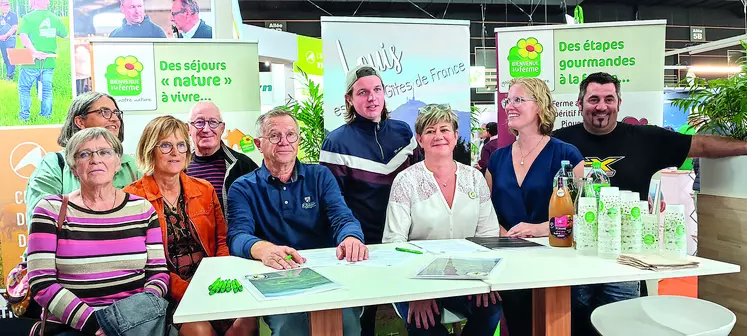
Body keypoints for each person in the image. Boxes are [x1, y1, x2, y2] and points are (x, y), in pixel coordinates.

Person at [552, 71, 747, 336]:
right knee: (571, 327)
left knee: (623, 327)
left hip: (626, 261)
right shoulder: (559, 142)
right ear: (579, 103)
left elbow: (700, 145)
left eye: (609, 99)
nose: (601, 106)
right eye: (593, 99)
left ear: (619, 103)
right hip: (574, 256)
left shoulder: (646, 138)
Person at [227, 107, 367, 336]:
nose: (284, 142)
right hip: (275, 277)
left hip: (326, 274)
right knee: (290, 327)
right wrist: (266, 250)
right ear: (258, 143)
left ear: (298, 140)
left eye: (291, 134)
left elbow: (343, 217)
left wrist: (350, 237)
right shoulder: (243, 187)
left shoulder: (320, 176)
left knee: (345, 323)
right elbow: (237, 236)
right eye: (274, 135)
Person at [27, 127, 169, 335]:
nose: (95, 160)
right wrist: (96, 323)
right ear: (74, 167)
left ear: (118, 162)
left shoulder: (143, 209)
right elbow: (41, 282)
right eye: (84, 154)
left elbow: (158, 276)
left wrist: (126, 319)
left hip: (136, 324)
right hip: (72, 327)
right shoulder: (50, 210)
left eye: (104, 152)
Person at [124, 116, 256, 336]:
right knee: (199, 329)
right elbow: (143, 264)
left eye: (181, 145)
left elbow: (222, 240)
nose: (175, 152)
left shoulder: (204, 189)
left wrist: (217, 278)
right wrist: (191, 291)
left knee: (248, 321)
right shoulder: (133, 197)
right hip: (168, 290)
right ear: (150, 150)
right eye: (166, 145)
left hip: (211, 282)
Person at [383, 104, 503, 335]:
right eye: (430, 131)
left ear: (456, 136)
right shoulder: (405, 181)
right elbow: (393, 243)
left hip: (468, 275)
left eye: (445, 129)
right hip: (416, 278)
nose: (438, 136)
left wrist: (482, 279)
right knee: (423, 324)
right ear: (419, 139)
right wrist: (417, 293)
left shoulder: (474, 178)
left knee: (492, 309)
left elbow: (488, 235)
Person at [319, 65, 418, 335]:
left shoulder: (403, 133)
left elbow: (420, 182)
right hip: (362, 243)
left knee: (419, 311)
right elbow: (332, 202)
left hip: (405, 238)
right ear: (349, 99)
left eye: (377, 90)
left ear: (385, 94)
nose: (371, 98)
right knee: (364, 317)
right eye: (362, 92)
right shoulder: (336, 142)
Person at [486, 77, 584, 336]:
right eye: (508, 100)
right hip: (509, 264)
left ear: (540, 106)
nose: (510, 106)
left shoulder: (567, 155)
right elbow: (485, 213)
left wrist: (540, 229)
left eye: (519, 99)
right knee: (518, 327)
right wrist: (503, 235)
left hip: (555, 261)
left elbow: (585, 212)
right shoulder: (497, 159)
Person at [25, 92, 140, 240]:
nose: (114, 118)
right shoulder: (55, 164)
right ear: (80, 121)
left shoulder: (131, 165)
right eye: (104, 112)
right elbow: (41, 223)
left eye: (116, 113)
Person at [186, 102, 258, 210]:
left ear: (222, 128)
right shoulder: (179, 167)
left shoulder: (243, 165)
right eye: (199, 122)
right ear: (188, 129)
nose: (206, 129)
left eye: (213, 122)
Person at [17, 0, 68, 122]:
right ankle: (46, 117)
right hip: (49, 62)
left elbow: (23, 35)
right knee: (46, 90)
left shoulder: (28, 18)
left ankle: (24, 117)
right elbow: (66, 35)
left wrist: (34, 51)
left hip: (31, 62)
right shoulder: (54, 18)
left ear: (33, 2)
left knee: (24, 88)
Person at [0, 0, 18, 81]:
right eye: (4, 6)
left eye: (7, 6)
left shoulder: (13, 15)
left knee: (11, 56)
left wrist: (6, 35)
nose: (6, 7)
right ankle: (8, 73)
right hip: (1, 40)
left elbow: (14, 27)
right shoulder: (0, 17)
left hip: (10, 39)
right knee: (5, 57)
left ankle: (10, 75)